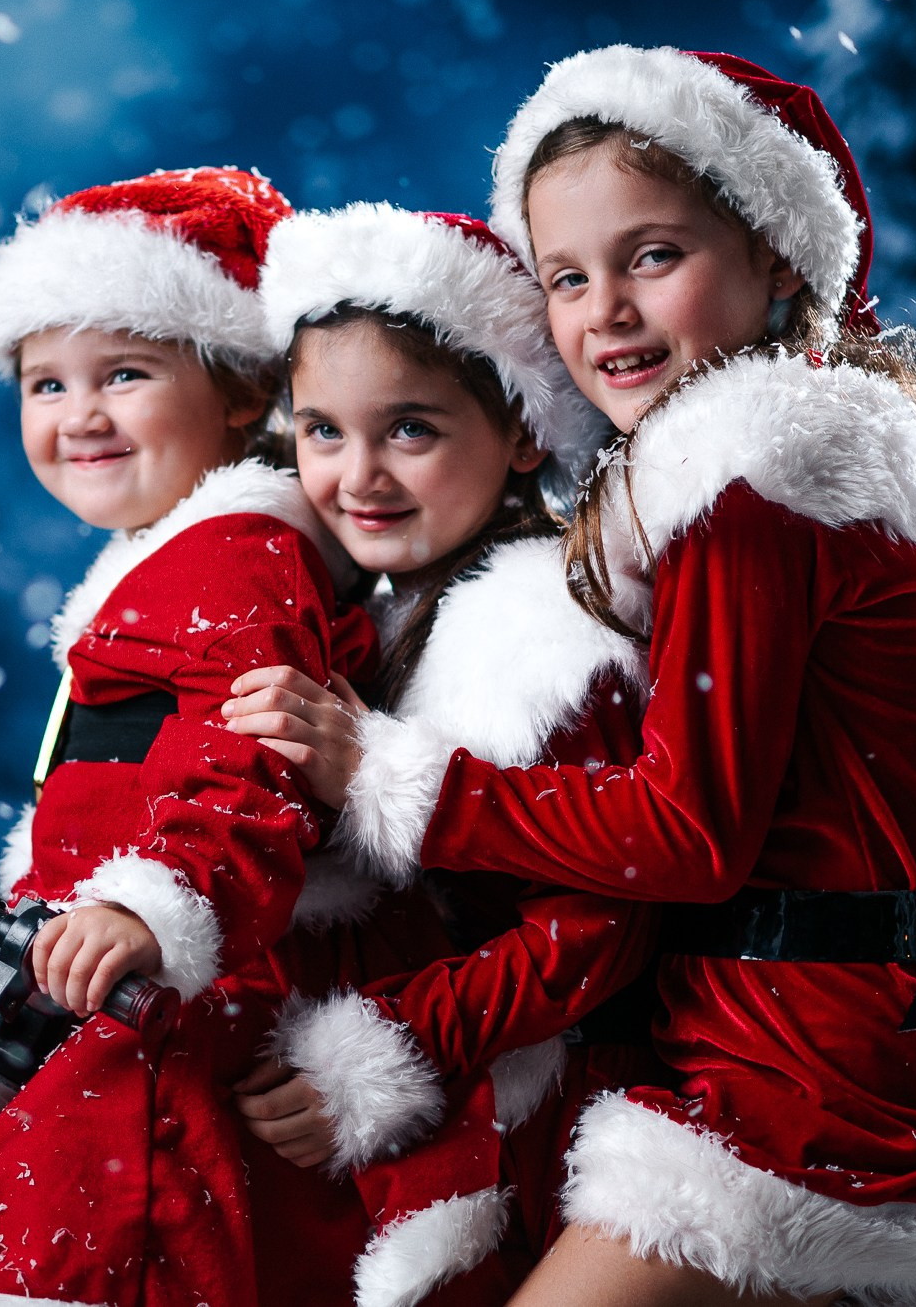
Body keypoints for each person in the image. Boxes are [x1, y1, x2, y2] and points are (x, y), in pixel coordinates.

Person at [232, 47, 916, 1307]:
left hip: (803, 1086)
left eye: (652, 256)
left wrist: (390, 774)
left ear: (775, 258)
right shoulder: (800, 463)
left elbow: (686, 833)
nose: (604, 310)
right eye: (565, 277)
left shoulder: (758, 481)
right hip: (850, 1036)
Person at [0, 166, 389, 1307]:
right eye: (45, 381)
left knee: (84, 1264)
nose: (80, 414)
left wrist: (147, 904)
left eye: (124, 372)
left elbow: (248, 767)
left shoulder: (228, 561)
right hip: (111, 1006)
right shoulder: (177, 560)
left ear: (239, 391)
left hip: (158, 1031)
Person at [220, 201, 666, 1307]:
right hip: (414, 1127)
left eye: (408, 429)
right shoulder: (363, 617)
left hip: (534, 1131)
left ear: (520, 430)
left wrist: (386, 1042)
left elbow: (597, 927)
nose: (356, 474)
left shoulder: (550, 639)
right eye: (321, 430)